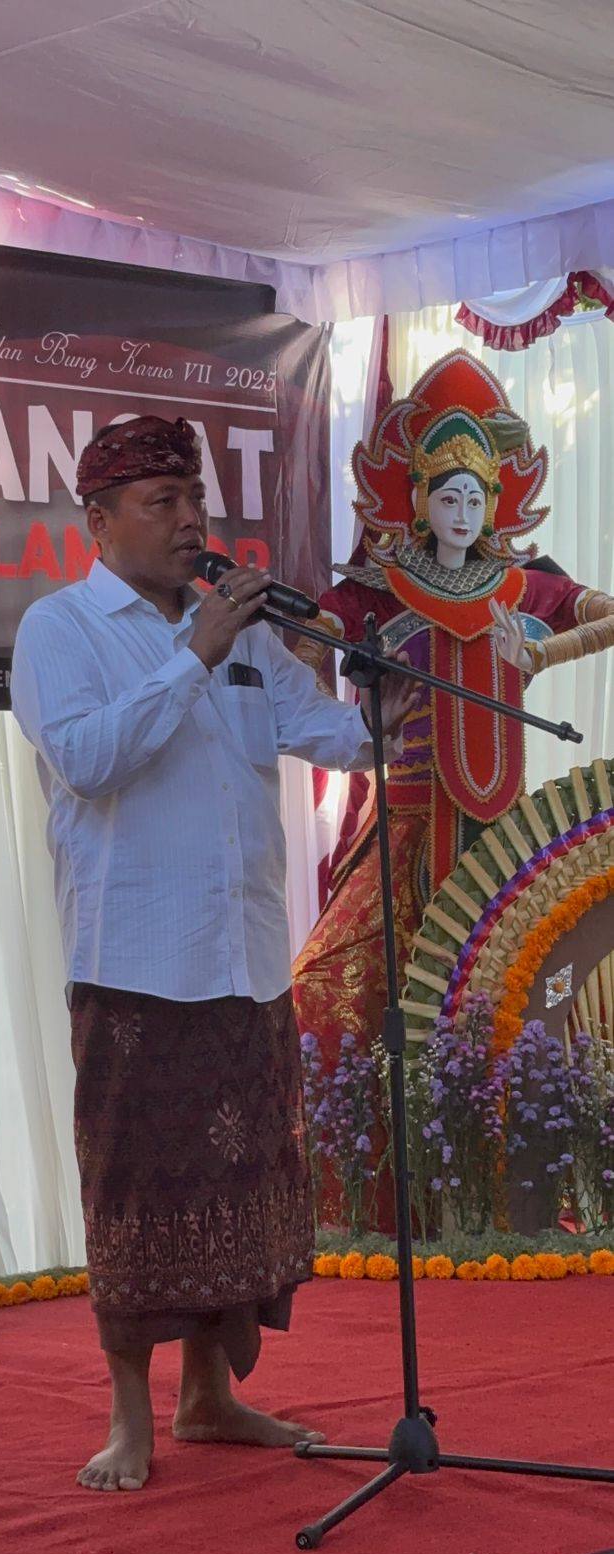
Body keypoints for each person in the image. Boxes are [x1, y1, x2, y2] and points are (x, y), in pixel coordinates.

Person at [10, 415, 415, 1492]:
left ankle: (209, 1398)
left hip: (246, 959)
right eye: (163, 502)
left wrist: (403, 684)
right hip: (137, 965)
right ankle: (128, 1418)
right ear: (100, 522)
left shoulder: (240, 630)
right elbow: (89, 759)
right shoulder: (60, 628)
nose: (191, 520)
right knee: (139, 1191)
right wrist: (195, 656)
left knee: (237, 1187)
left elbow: (335, 737)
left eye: (196, 499)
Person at [292, 349, 614, 1227]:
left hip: (505, 845)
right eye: (448, 497)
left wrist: (543, 651)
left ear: (495, 504)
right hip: (401, 829)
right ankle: (369, 1214)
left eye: (476, 498)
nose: (463, 513)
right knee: (327, 1001)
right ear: (418, 502)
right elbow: (305, 645)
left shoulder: (527, 586)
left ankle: (502, 1208)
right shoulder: (375, 590)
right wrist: (332, 694)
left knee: (520, 1009)